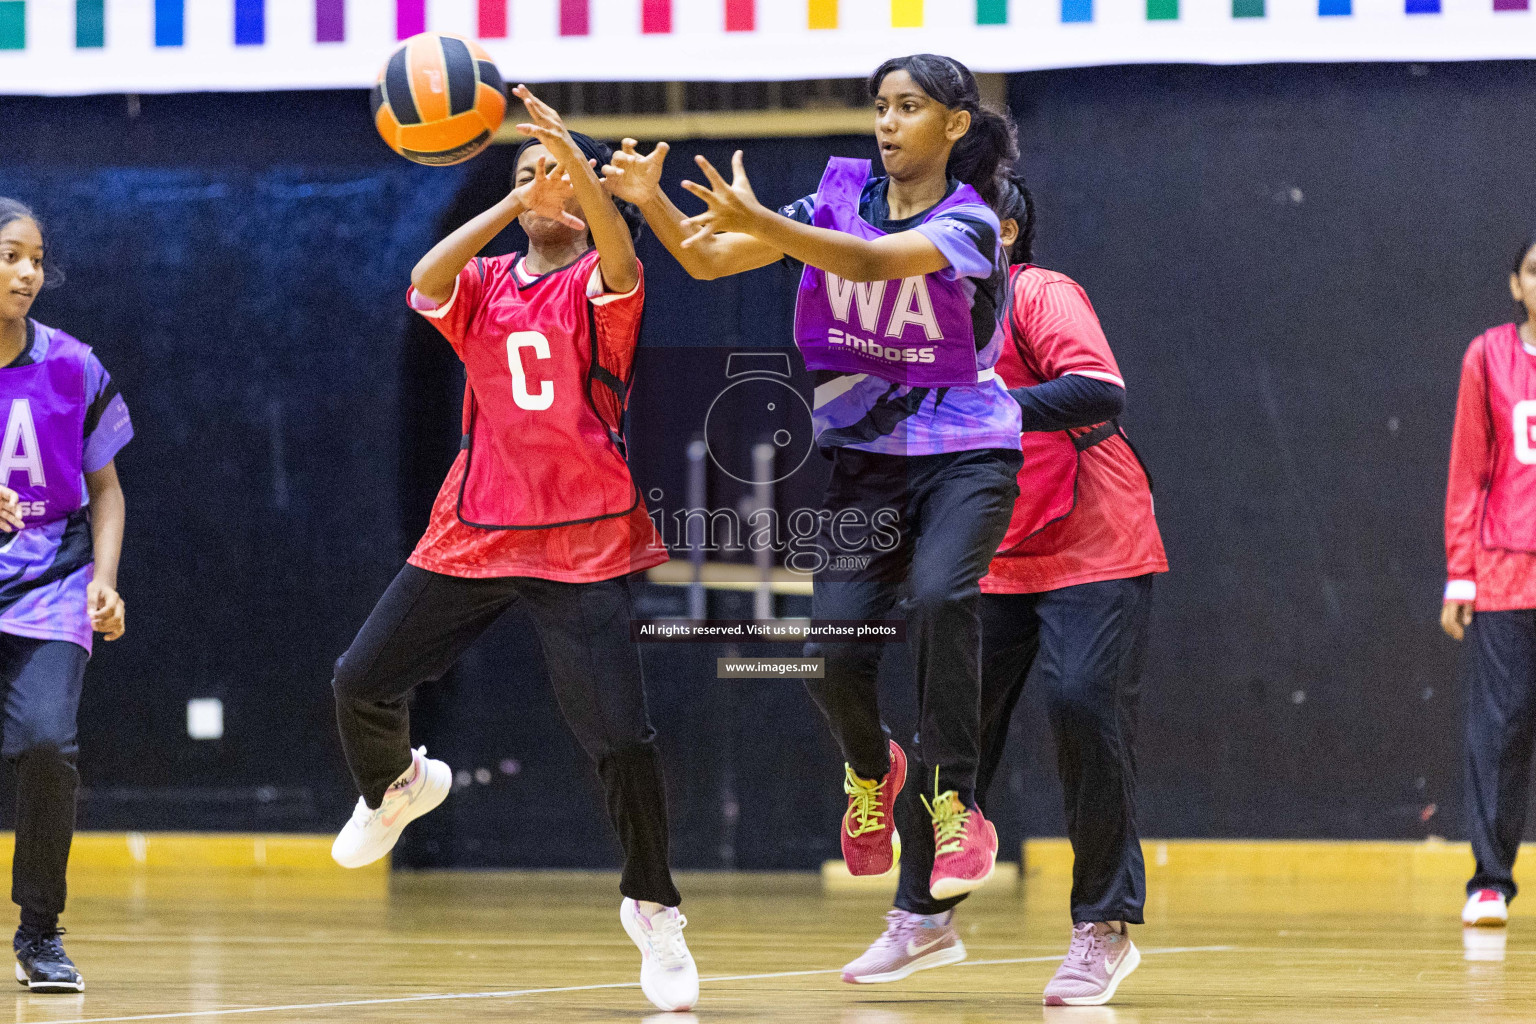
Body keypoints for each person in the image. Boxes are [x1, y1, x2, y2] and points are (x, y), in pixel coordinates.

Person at [604, 54, 1022, 898]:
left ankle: (957, 804)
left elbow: (869, 266)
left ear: (955, 125)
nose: (888, 122)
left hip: (967, 453)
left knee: (944, 595)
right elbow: (709, 260)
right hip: (866, 467)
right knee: (827, 652)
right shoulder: (836, 201)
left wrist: (768, 221)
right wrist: (650, 201)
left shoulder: (971, 224)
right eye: (880, 107)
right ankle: (873, 772)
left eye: (909, 107)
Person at [325, 88, 697, 1013]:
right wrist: (510, 196)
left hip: (580, 537)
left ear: (586, 197)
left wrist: (572, 163)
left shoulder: (605, 284)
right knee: (359, 680)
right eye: (527, 172)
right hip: (478, 527)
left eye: (558, 177)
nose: (541, 187)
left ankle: (654, 910)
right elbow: (424, 278)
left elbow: (618, 247)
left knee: (621, 741)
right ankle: (400, 783)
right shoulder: (487, 281)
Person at [840, 174, 1166, 1007]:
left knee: (1083, 704)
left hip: (1095, 532)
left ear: (1006, 233)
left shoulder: (1040, 292)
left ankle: (1103, 926)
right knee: (952, 721)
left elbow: (1100, 388)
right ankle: (924, 912)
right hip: (994, 541)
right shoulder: (911, 320)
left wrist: (984, 405)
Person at [0, 198, 131, 993]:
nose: (27, 273)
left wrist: (105, 583)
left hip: (50, 583)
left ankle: (40, 932)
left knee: (48, 745)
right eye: (12, 255)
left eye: (36, 259)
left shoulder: (72, 365)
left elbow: (106, 489)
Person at [1443, 233, 1536, 931]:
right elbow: (1469, 471)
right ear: (1515, 284)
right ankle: (1490, 880)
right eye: (1535, 272)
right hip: (1507, 573)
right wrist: (1460, 575)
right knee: (1500, 730)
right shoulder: (1488, 356)